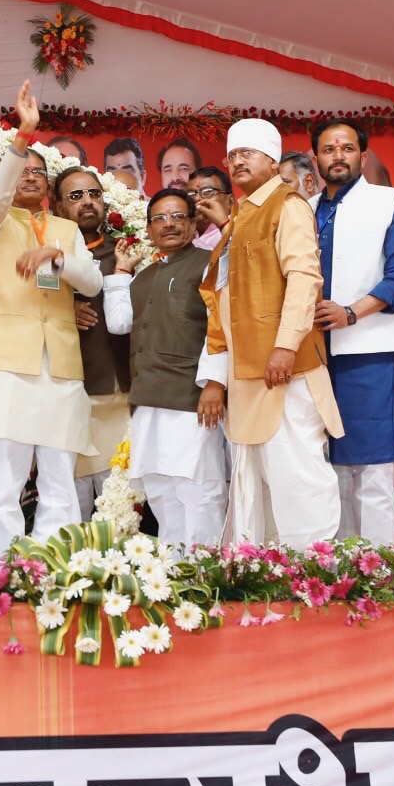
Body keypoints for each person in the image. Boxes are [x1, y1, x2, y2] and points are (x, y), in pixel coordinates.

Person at [0, 88, 105, 553]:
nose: (29, 176)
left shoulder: (67, 230)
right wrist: (22, 139)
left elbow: (92, 283)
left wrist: (59, 257)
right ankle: (5, 566)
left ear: (49, 188)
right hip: (8, 365)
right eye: (22, 170)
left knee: (59, 479)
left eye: (38, 172)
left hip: (62, 368)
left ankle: (55, 565)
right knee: (4, 480)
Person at [197, 119, 341, 544]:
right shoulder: (241, 217)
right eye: (233, 154)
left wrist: (284, 346)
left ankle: (315, 572)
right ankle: (272, 577)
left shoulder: (287, 204)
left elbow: (304, 279)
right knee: (258, 479)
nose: (238, 160)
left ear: (273, 161)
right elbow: (221, 298)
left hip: (286, 370)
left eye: (249, 153)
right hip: (248, 376)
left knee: (296, 474)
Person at [309, 118, 394, 540]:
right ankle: (338, 568)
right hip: (312, 356)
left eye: (347, 148)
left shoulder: (389, 201)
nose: (338, 156)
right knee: (324, 467)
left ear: (362, 156)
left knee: (371, 467)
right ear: (316, 158)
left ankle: (377, 567)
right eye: (329, 149)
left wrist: (351, 313)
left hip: (366, 351)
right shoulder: (305, 209)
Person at [102, 191, 225, 547]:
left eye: (177, 216)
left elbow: (223, 324)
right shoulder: (146, 275)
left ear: (191, 222)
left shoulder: (209, 262)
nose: (168, 224)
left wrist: (215, 382)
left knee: (198, 489)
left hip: (193, 399)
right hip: (148, 399)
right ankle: (175, 572)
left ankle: (204, 573)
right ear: (149, 228)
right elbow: (120, 323)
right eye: (159, 218)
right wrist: (122, 272)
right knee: (160, 490)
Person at [53, 166, 131, 515]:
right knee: (74, 503)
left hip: (120, 394)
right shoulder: (47, 254)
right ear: (57, 207)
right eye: (76, 196)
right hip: (68, 391)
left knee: (118, 504)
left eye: (94, 194)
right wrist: (61, 307)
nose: (87, 202)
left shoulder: (127, 252)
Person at [187, 165, 233, 251]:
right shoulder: (183, 235)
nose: (197, 198)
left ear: (230, 201)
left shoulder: (243, 228)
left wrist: (223, 224)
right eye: (191, 194)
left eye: (207, 192)